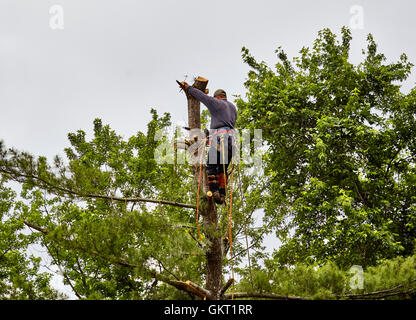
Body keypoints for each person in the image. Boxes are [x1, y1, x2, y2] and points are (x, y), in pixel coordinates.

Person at [179, 82, 237, 204]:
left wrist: (188, 88)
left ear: (218, 97)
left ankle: (214, 191)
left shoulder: (217, 104)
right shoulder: (232, 108)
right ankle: (222, 195)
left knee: (211, 166)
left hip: (220, 139)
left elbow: (202, 97)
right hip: (232, 142)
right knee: (222, 168)